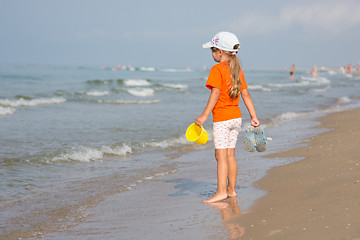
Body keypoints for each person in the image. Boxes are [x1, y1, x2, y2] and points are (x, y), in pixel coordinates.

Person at [195, 32, 260, 203]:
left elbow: (215, 94)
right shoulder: (237, 70)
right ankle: (231, 190)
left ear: (220, 52)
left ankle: (221, 191)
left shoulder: (216, 70)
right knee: (230, 155)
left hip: (223, 120)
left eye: (212, 50)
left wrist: (204, 115)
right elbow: (245, 94)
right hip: (236, 118)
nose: (212, 54)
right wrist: (253, 116)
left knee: (221, 156)